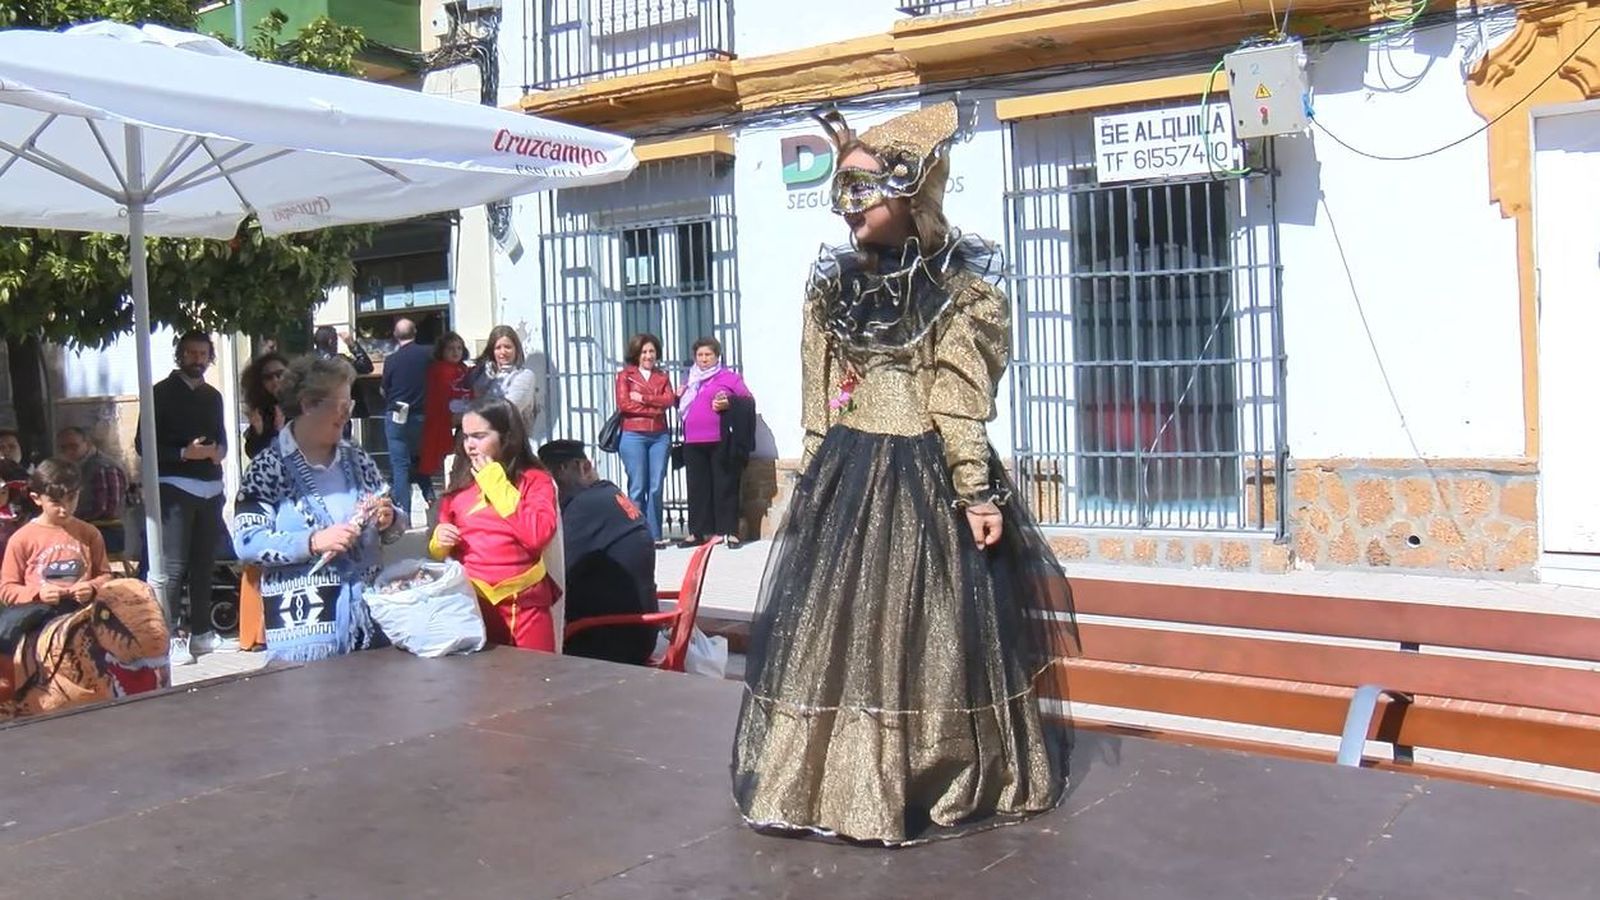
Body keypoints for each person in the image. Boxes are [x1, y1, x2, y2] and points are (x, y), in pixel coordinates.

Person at [730, 103, 1077, 846]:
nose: (843, 206)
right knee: (848, 635)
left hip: (926, 476)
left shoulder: (961, 291)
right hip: (855, 473)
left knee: (931, 633)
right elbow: (817, 395)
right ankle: (842, 783)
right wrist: (816, 480)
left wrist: (975, 491)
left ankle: (924, 773)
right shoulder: (832, 284)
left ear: (911, 191)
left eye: (860, 190)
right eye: (839, 190)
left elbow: (955, 404)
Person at [233, 354, 402, 663]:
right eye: (338, 406)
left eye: (348, 406)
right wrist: (311, 542)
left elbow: (391, 512)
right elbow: (246, 541)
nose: (345, 416)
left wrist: (389, 518)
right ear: (308, 404)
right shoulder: (268, 467)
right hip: (304, 633)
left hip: (368, 625)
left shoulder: (358, 459)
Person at [429, 397, 560, 652]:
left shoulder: (535, 480)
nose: (470, 445)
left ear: (506, 436)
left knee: (534, 683)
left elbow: (538, 535)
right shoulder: (460, 481)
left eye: (479, 436)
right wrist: (439, 542)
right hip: (471, 604)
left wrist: (496, 484)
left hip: (523, 605)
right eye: (465, 436)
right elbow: (442, 545)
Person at [135, 330, 233, 667]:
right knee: (173, 566)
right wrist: (183, 453)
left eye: (203, 353)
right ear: (180, 355)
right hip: (174, 485)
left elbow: (222, 439)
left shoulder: (213, 395)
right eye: (191, 353)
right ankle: (172, 636)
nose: (197, 359)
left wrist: (218, 452)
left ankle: (202, 632)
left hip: (211, 486)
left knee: (204, 563)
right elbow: (142, 445)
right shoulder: (160, 393)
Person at [537, 439, 658, 666]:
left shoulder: (584, 508)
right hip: (637, 629)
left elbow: (555, 571)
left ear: (565, 470)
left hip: (609, 637)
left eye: (544, 482)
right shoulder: (609, 495)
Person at [0, 459, 111, 607]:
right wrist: (38, 593)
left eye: (71, 499)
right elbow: (7, 589)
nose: (64, 509)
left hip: (84, 611)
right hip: (39, 614)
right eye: (55, 502)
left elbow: (105, 576)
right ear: (36, 498)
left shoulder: (89, 533)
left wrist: (92, 587)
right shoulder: (22, 539)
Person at [677, 337, 752, 548]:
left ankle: (729, 531)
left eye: (708, 355)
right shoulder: (691, 379)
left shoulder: (729, 378)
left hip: (719, 438)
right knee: (697, 487)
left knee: (724, 485)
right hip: (693, 440)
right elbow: (684, 407)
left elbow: (747, 401)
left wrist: (730, 403)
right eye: (700, 355)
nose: (703, 359)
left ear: (717, 356)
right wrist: (678, 397)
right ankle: (698, 532)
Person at [614, 333, 676, 546]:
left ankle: (655, 534)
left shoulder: (662, 376)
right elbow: (625, 405)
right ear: (636, 354)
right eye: (644, 352)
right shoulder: (625, 376)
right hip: (633, 434)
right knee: (637, 486)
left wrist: (645, 399)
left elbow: (669, 400)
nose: (648, 356)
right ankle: (636, 536)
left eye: (651, 351)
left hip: (660, 436)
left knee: (657, 486)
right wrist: (656, 409)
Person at [380, 317, 436, 519]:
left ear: (395, 336)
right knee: (422, 461)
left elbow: (385, 389)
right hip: (423, 415)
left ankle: (404, 516)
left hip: (397, 416)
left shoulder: (391, 360)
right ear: (415, 332)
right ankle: (431, 500)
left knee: (400, 465)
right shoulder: (428, 354)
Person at [54, 426, 129, 555]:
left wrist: (67, 520)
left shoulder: (103, 467)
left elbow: (105, 509)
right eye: (63, 448)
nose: (68, 452)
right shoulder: (73, 467)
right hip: (81, 529)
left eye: (73, 446)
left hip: (104, 533)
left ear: (87, 444)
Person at [419, 331, 473, 481]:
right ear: (442, 351)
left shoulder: (464, 369)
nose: (456, 352)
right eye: (451, 348)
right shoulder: (438, 370)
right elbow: (437, 398)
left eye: (459, 348)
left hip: (465, 419)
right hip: (444, 420)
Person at [471, 325, 539, 435]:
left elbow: (509, 410)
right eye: (498, 348)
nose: (503, 352)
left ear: (516, 349)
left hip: (511, 442)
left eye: (507, 347)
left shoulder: (525, 376)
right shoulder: (484, 374)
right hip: (483, 439)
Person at [241, 351, 290, 460]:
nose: (275, 380)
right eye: (268, 377)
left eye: (280, 374)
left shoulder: (302, 404)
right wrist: (258, 431)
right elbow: (254, 453)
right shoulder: (262, 410)